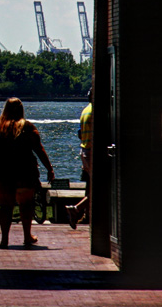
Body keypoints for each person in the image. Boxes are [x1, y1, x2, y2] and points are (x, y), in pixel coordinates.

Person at [0, 97, 55, 248]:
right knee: (26, 204)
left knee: (5, 206)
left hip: (3, 172)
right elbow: (39, 149)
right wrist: (49, 168)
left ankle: (4, 240)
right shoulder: (27, 127)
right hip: (24, 171)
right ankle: (27, 236)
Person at [67, 90, 93, 228]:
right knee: (100, 189)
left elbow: (79, 133)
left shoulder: (85, 110)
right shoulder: (96, 110)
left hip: (84, 150)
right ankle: (76, 209)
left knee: (90, 185)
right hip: (92, 152)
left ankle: (87, 216)